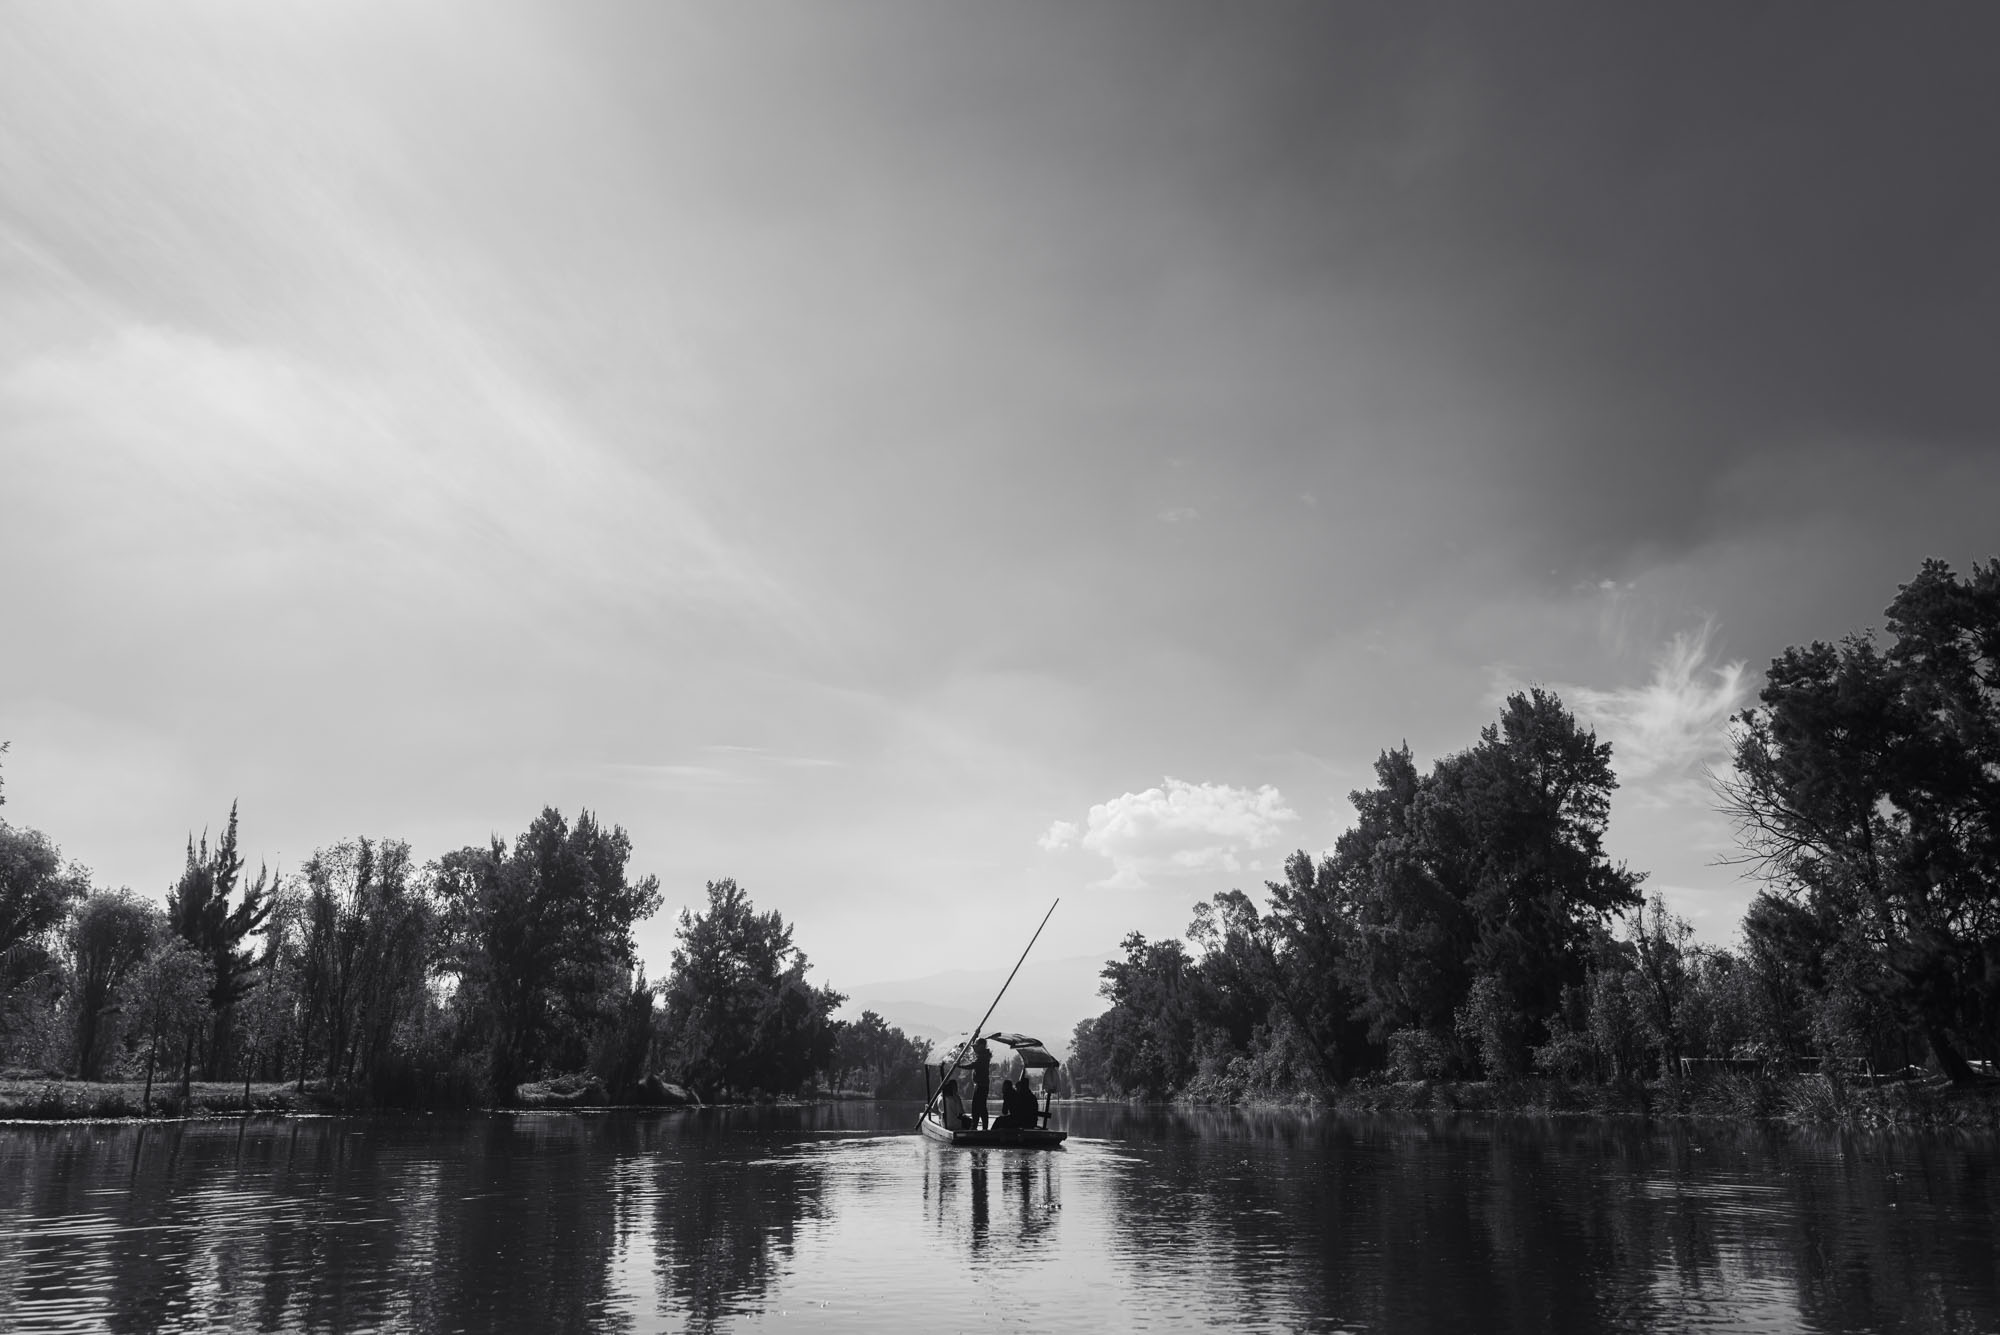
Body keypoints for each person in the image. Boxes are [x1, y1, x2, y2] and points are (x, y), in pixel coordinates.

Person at [971, 1038, 992, 1131]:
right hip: (981, 1085)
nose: (975, 1049)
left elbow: (973, 1065)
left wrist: (959, 1065)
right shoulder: (982, 1055)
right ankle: (982, 1127)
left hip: (981, 1085)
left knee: (977, 1106)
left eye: (976, 1046)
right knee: (981, 1106)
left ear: (982, 1047)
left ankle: (976, 1127)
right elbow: (974, 1051)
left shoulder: (983, 1057)